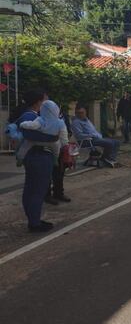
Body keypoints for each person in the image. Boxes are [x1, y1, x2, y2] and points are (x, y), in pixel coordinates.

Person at [11, 90, 66, 232]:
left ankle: (33, 219)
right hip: (39, 157)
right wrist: (54, 139)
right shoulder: (31, 116)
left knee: (31, 189)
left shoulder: (36, 117)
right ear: (38, 102)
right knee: (37, 190)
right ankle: (34, 222)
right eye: (45, 100)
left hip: (35, 156)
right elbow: (31, 135)